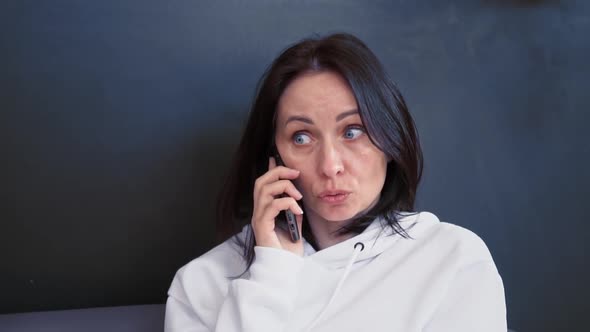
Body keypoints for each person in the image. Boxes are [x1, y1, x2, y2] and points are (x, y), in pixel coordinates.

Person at [164, 33, 507, 332]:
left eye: (353, 131)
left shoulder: (452, 258)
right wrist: (272, 269)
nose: (330, 165)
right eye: (301, 137)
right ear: (275, 156)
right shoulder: (200, 284)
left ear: (389, 140)